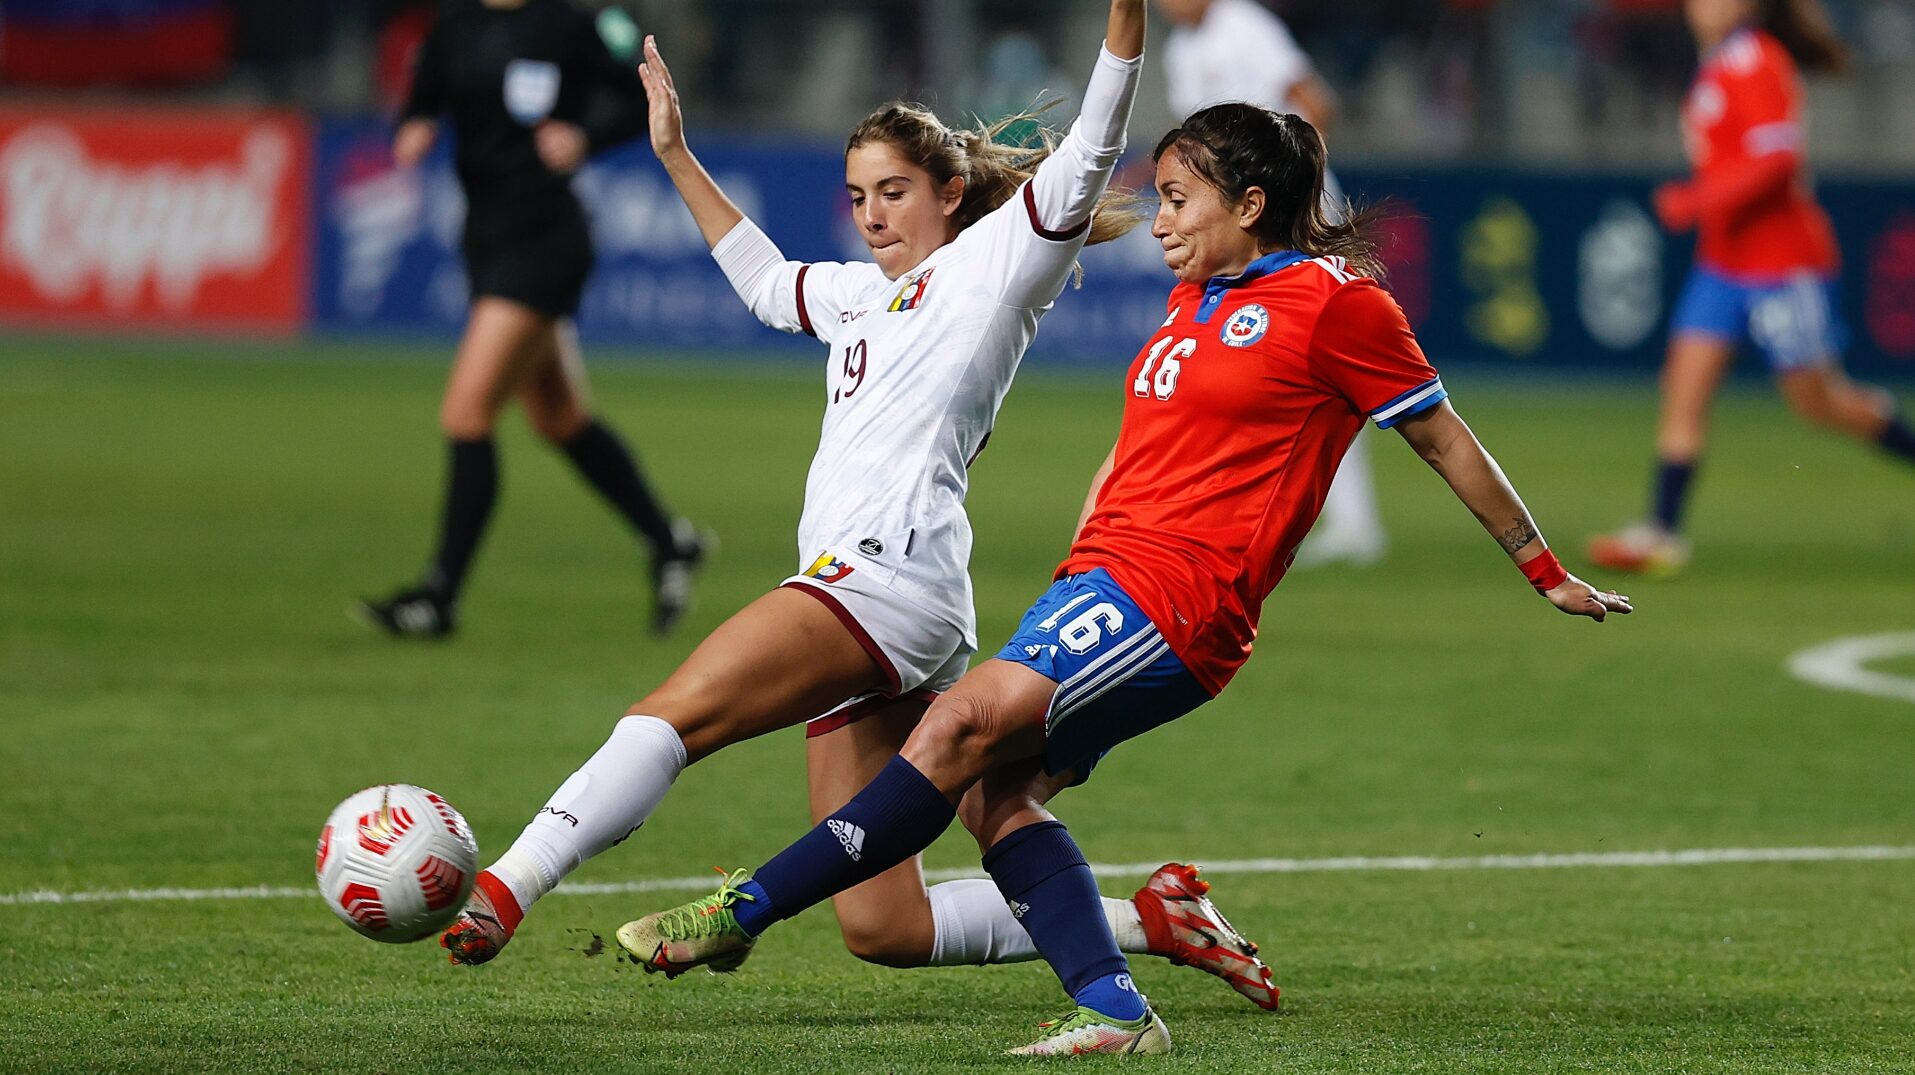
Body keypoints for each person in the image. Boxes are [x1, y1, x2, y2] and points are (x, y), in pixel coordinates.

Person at [615, 103, 1634, 1057]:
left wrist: (1540, 567)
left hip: (1180, 599)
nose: (1161, 224)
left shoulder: (1334, 305)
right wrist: (1077, 557)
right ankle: (1113, 1007)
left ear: (1249, 206)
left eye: (1181, 200)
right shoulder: (1195, 303)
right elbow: (1133, 456)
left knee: (951, 730)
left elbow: (1443, 440)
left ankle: (736, 913)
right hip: (1101, 583)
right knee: (991, 792)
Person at [436, 3, 1283, 1011]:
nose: (874, 214)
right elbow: (762, 282)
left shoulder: (999, 263)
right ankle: (1157, 920)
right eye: (858, 196)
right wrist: (672, 153)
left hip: (879, 579)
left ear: (950, 193)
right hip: (903, 602)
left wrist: (1123, 24)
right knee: (885, 925)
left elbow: (1097, 140)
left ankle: (507, 886)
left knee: (675, 714)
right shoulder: (857, 294)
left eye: (894, 192)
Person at [360, 0, 707, 639]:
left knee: (467, 412)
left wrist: (585, 137)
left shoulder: (572, 25)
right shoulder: (456, 24)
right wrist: (414, 123)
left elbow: (640, 102)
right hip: (486, 237)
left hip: (545, 238)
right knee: (559, 418)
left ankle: (439, 597)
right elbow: (423, 93)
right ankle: (668, 541)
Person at [1588, 0, 1915, 576]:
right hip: (1724, 262)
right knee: (1683, 387)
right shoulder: (1719, 61)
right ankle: (1662, 533)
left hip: (1783, 263)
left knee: (1819, 403)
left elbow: (1778, 160)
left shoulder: (1756, 60)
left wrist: (1696, 200)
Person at [1158, 0, 1386, 567]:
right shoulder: (1178, 49)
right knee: (1246, 359)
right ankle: (1255, 513)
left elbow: (1315, 105)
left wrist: (1290, 196)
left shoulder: (1243, 24)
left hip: (1282, 216)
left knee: (1319, 358)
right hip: (1234, 218)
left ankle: (1352, 521)